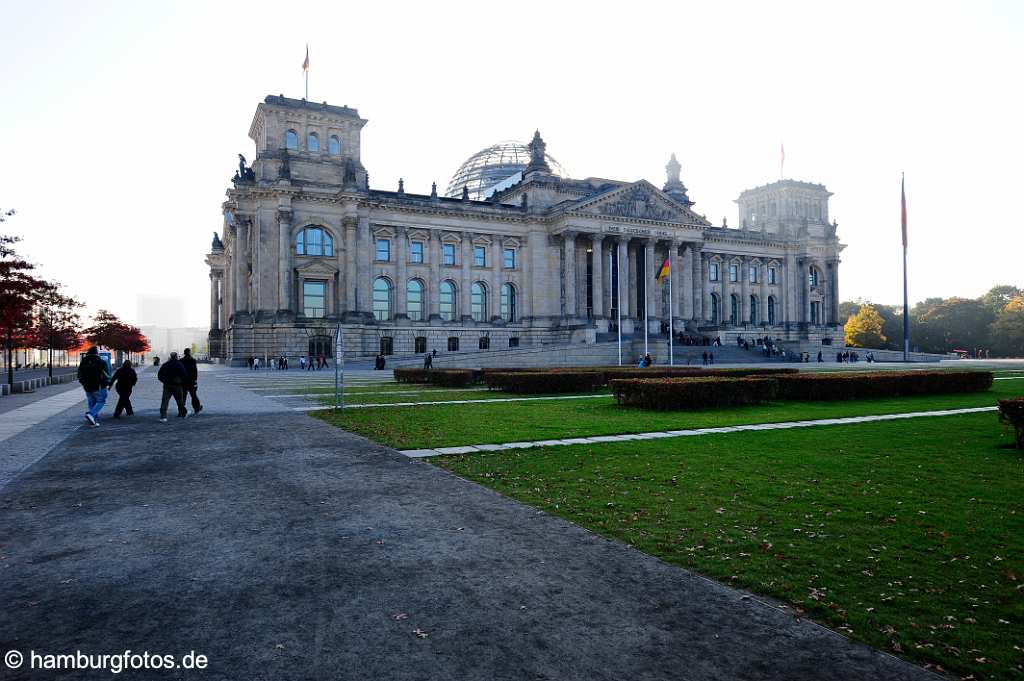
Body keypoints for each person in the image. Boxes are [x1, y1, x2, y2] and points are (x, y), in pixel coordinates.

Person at [77, 347, 111, 427]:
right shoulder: (101, 362)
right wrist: (107, 383)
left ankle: (93, 420)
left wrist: (83, 383)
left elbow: (79, 375)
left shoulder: (83, 361)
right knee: (101, 401)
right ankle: (91, 414)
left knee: (91, 402)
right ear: (96, 353)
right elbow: (107, 375)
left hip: (87, 387)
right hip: (99, 386)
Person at [157, 351, 188, 423]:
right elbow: (184, 375)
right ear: (176, 356)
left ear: (170, 357)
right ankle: (182, 413)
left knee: (165, 401)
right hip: (177, 385)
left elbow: (159, 375)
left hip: (167, 385)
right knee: (180, 400)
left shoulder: (165, 364)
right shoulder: (179, 364)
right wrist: (181, 381)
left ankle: (163, 416)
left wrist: (164, 381)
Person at [180, 348, 203, 415]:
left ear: (184, 353)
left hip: (183, 381)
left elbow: (179, 372)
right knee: (193, 395)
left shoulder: (181, 360)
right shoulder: (192, 360)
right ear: (189, 353)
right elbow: (195, 372)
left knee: (183, 396)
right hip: (191, 381)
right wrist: (195, 380)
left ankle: (181, 410)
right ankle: (197, 408)